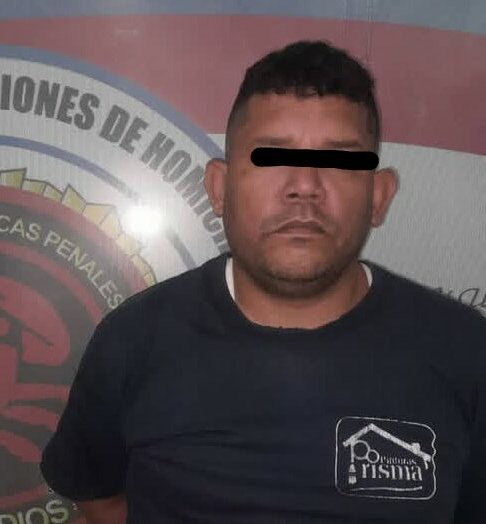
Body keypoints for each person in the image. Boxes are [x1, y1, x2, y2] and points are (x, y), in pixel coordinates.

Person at [40, 40, 486, 523]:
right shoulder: (133, 341)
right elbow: (99, 500)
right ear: (218, 188)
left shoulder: (466, 354)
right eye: (271, 158)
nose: (305, 186)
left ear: (378, 197)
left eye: (339, 161)